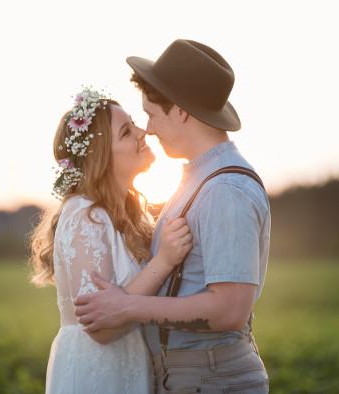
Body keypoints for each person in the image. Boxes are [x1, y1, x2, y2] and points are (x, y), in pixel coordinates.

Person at [74, 40, 271, 393]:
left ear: (180, 111)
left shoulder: (225, 190)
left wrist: (129, 307)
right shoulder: (197, 178)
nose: (147, 129)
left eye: (151, 113)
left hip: (211, 376)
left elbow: (229, 309)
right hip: (193, 374)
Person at [29, 87, 193, 394]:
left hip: (131, 366)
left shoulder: (129, 215)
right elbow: (100, 329)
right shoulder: (84, 215)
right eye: (127, 131)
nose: (144, 132)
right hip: (97, 373)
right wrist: (164, 260)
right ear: (101, 157)